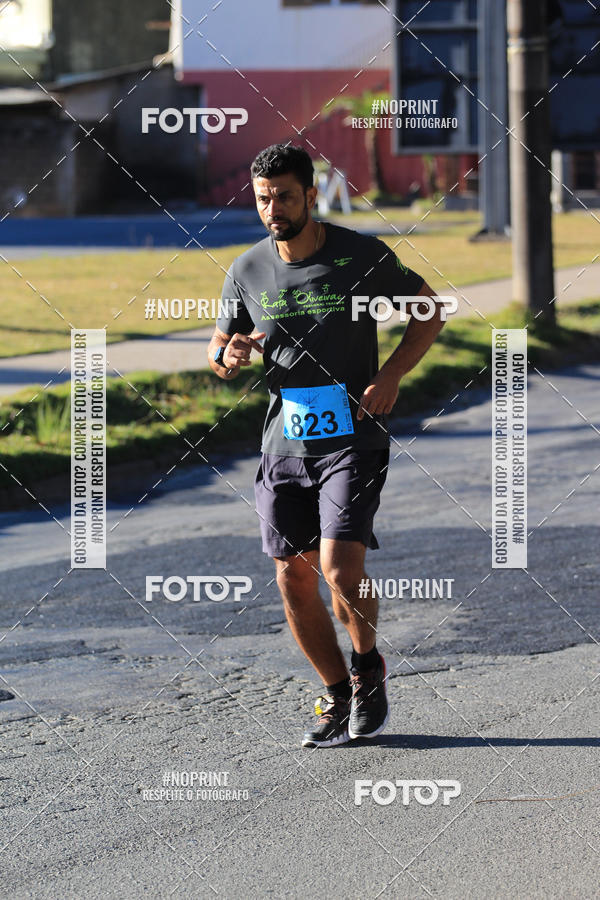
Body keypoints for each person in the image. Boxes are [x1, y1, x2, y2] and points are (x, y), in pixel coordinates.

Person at [207, 144, 444, 748]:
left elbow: (430, 310)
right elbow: (222, 344)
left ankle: (368, 667)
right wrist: (226, 356)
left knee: (341, 567)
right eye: (263, 198)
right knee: (292, 575)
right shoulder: (248, 268)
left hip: (354, 437)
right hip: (283, 440)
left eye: (285, 196)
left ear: (311, 195)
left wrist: (389, 376)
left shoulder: (358, 254)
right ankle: (337, 692)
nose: (273, 208)